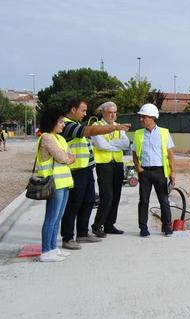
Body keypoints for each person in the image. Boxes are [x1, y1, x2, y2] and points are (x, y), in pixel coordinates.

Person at [60, 99, 130, 250]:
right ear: (73, 109)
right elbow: (93, 135)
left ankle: (83, 234)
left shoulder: (77, 124)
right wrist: (116, 128)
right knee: (74, 204)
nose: (85, 114)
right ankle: (67, 237)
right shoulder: (67, 124)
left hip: (86, 168)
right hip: (76, 169)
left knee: (88, 201)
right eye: (83, 110)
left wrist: (113, 139)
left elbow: (125, 144)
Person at [36, 113, 76, 262]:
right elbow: (64, 158)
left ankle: (53, 248)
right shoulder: (46, 137)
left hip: (64, 182)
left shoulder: (60, 138)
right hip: (54, 183)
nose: (63, 125)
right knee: (51, 218)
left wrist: (68, 157)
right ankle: (46, 251)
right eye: (60, 122)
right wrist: (67, 157)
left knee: (58, 217)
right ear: (52, 122)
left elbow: (72, 157)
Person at [132, 103, 175, 237]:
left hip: (160, 172)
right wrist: (137, 166)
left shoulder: (164, 132)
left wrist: (172, 171)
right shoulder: (138, 134)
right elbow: (134, 152)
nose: (141, 119)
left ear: (152, 117)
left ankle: (167, 227)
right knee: (143, 201)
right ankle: (143, 228)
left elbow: (170, 154)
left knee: (164, 200)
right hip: (144, 172)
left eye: (143, 117)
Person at [91, 102, 130, 237]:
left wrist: (110, 145)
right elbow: (100, 145)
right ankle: (97, 225)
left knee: (116, 195)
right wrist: (115, 145)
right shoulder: (96, 127)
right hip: (104, 164)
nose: (113, 115)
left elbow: (125, 144)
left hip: (117, 164)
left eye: (115, 112)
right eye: (110, 112)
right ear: (103, 113)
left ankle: (109, 224)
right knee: (106, 196)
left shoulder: (118, 126)